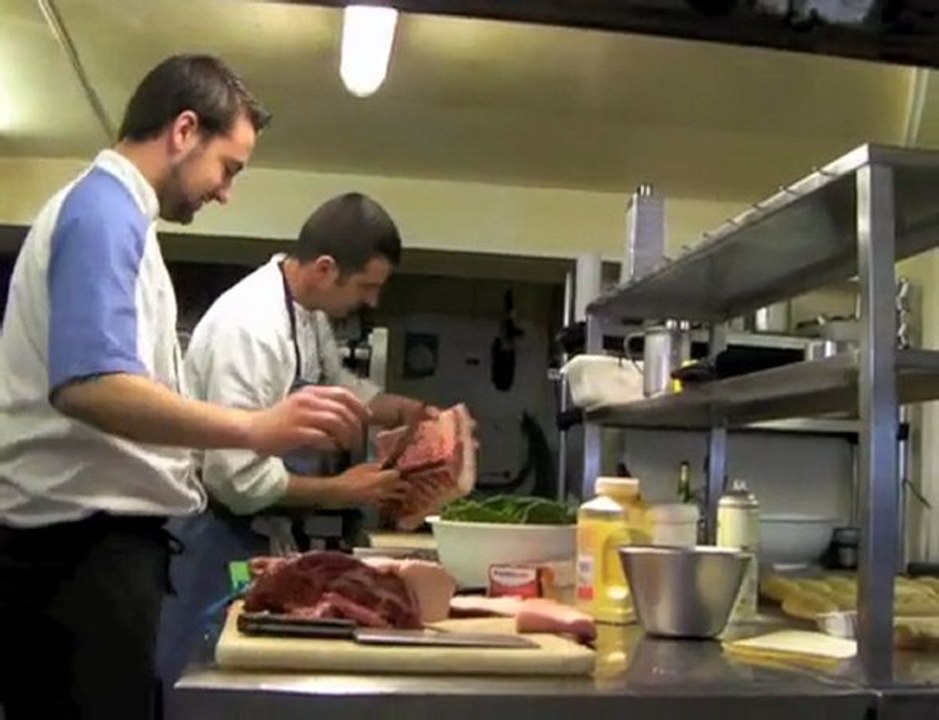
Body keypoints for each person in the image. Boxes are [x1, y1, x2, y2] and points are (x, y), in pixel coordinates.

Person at [0, 55, 368, 720]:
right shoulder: (102, 212)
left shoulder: (122, 220)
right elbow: (90, 384)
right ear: (184, 131)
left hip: (95, 549)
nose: (225, 192)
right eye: (228, 168)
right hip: (77, 553)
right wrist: (254, 428)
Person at [156, 192, 437, 697]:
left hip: (261, 533)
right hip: (213, 535)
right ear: (326, 268)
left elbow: (337, 387)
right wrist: (342, 490)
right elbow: (236, 480)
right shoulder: (249, 328)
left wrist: (403, 411)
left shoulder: (307, 313)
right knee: (201, 687)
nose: (372, 302)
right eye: (367, 287)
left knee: (248, 686)